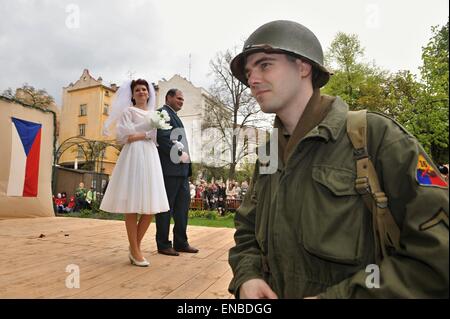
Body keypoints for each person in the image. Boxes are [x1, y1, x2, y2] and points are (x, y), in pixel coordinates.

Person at [228, 20, 449, 299]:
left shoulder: (376, 138)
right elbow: (247, 229)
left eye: (265, 64)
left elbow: (437, 254)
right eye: (249, 72)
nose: (252, 80)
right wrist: (248, 277)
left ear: (303, 67)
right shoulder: (269, 153)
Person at [100, 79, 170, 267]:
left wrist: (149, 134)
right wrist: (145, 134)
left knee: (150, 206)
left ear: (149, 93)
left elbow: (155, 138)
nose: (141, 92)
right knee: (132, 203)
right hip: (133, 154)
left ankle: (134, 248)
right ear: (132, 94)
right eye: (137, 90)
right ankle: (136, 251)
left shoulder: (156, 114)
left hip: (150, 156)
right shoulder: (128, 112)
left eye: (144, 89)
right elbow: (124, 137)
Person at [155, 89, 199, 256]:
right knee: (166, 208)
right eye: (179, 98)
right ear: (169, 97)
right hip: (170, 170)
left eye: (182, 99)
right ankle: (163, 243)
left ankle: (181, 242)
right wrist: (179, 155)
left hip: (181, 172)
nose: (181, 101)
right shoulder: (161, 113)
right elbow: (163, 137)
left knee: (182, 209)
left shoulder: (175, 115)